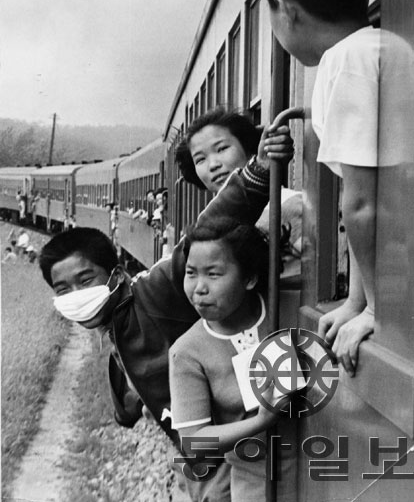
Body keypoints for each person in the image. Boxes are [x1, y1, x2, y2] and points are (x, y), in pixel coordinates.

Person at [38, 137, 291, 502]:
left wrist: (258, 172)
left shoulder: (152, 291)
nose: (76, 295)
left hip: (230, 449)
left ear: (118, 274)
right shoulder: (116, 322)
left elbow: (204, 233)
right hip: (210, 449)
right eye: (63, 289)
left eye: (85, 280)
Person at [261, 0, 414, 375]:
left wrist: (377, 312)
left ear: (286, 10)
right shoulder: (377, 48)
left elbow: (363, 205)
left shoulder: (347, 60)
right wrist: (356, 302)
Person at [169, 218, 299, 502]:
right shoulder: (187, 352)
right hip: (256, 486)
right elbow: (194, 442)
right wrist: (261, 422)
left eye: (213, 274)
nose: (199, 288)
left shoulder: (289, 307)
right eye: (191, 273)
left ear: (249, 278)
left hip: (324, 471)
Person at [176, 108, 302, 284]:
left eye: (222, 149)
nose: (213, 165)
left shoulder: (292, 205)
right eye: (200, 159)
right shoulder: (208, 223)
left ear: (249, 149)